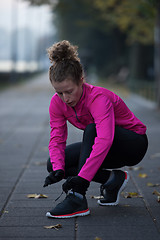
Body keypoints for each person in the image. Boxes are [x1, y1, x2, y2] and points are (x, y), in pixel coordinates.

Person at [43, 40, 148, 218]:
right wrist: (59, 169)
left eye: (69, 91)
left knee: (92, 129)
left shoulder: (98, 98)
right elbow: (57, 139)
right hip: (107, 147)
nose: (65, 98)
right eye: (59, 92)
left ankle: (77, 197)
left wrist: (81, 180)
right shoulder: (57, 103)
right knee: (53, 164)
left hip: (133, 144)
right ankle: (113, 180)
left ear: (81, 81)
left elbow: (104, 139)